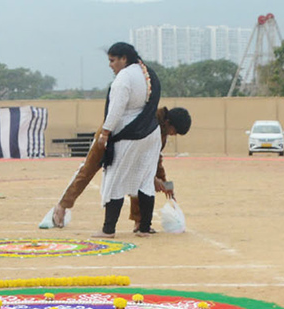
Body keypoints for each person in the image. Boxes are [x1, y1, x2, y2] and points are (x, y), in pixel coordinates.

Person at [50, 106, 191, 230]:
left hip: (128, 151)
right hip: (107, 139)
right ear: (168, 123)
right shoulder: (149, 123)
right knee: (87, 171)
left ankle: (139, 222)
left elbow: (155, 159)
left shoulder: (162, 133)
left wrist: (165, 183)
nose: (173, 135)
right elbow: (138, 163)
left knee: (140, 181)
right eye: (174, 131)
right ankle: (62, 206)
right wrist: (155, 180)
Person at [92, 42, 162, 237]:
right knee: (145, 179)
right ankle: (144, 228)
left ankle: (108, 229)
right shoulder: (147, 72)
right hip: (151, 133)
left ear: (124, 59)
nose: (110, 65)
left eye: (112, 60)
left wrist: (105, 133)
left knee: (115, 179)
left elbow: (116, 109)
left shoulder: (125, 77)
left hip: (128, 135)